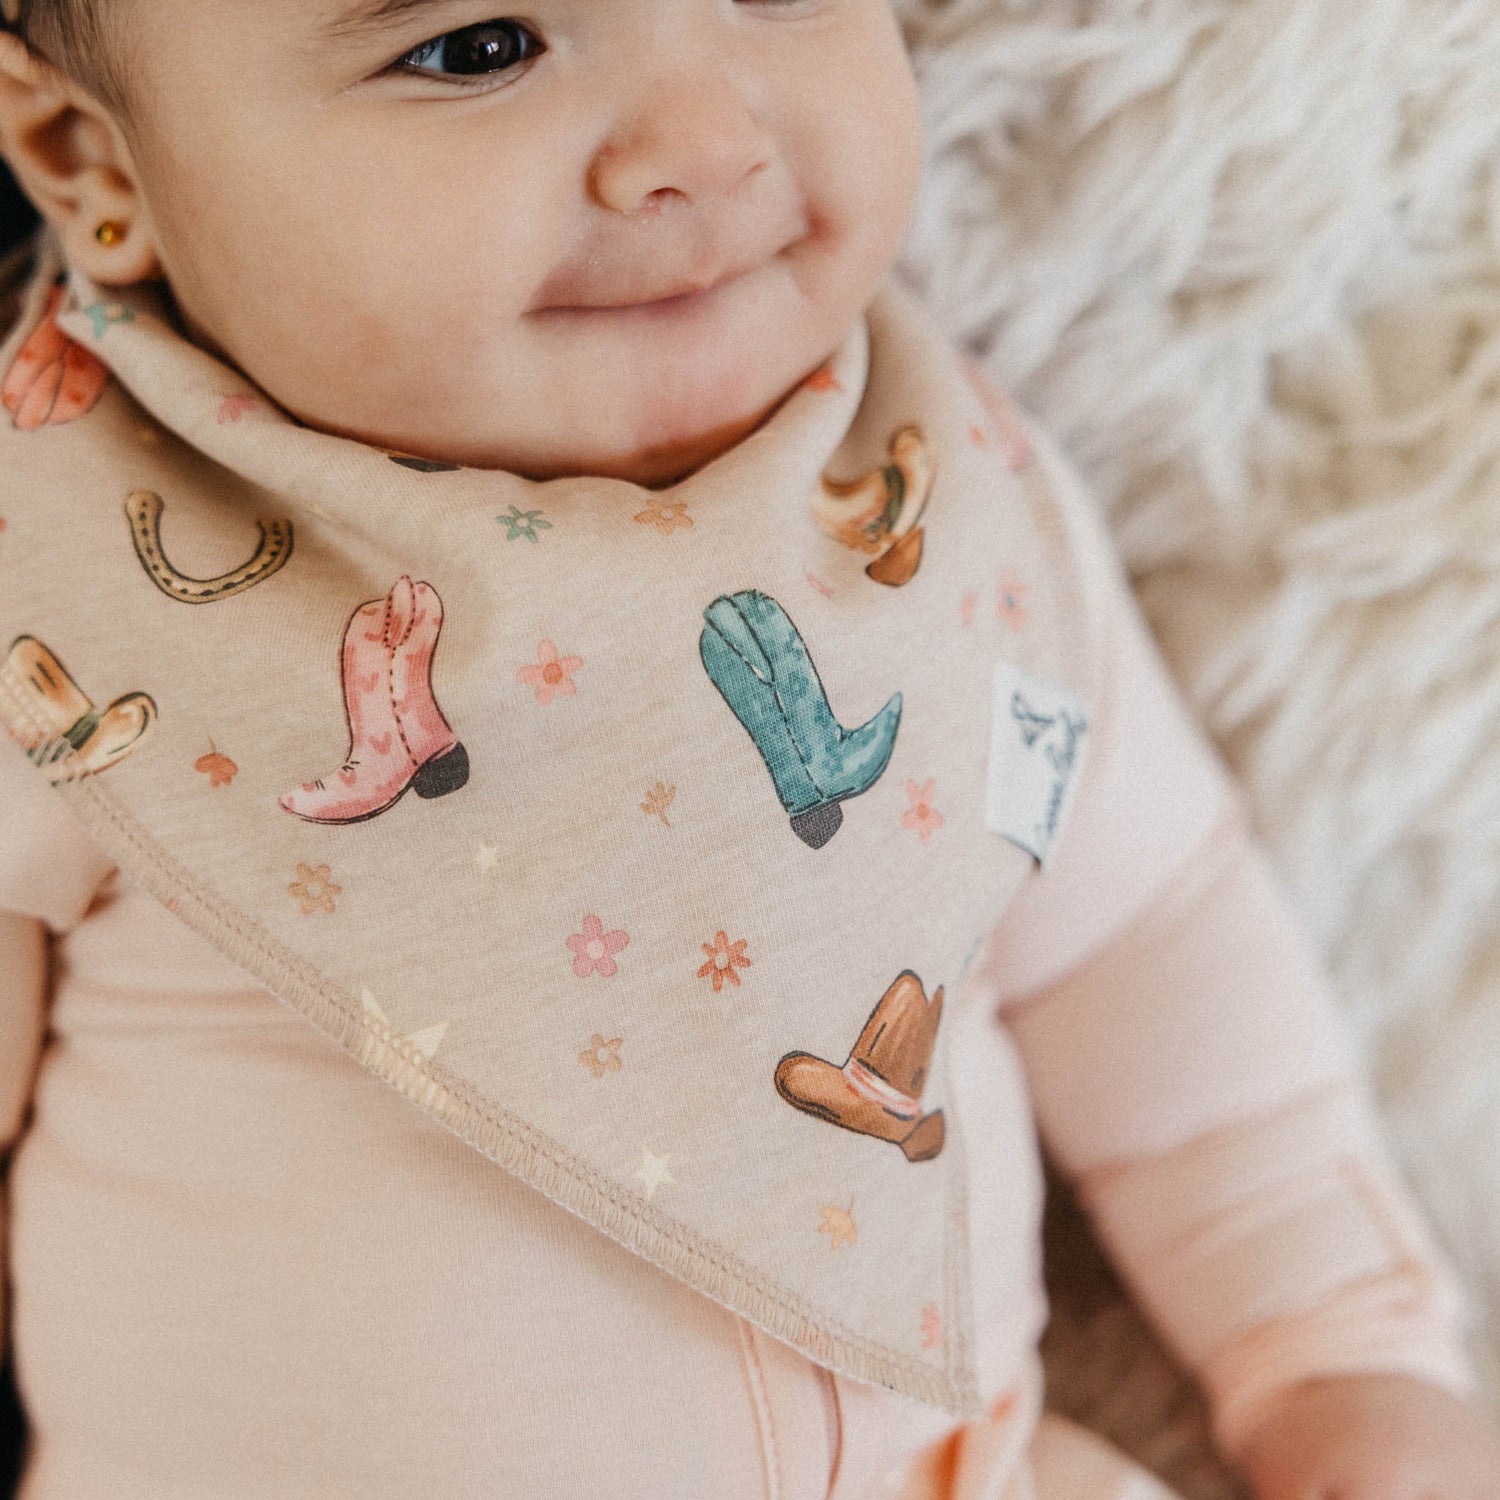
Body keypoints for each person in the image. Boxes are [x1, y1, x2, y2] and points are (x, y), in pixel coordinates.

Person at [0, 1, 1497, 1496]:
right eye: (479, 49)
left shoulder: (941, 503)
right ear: (91, 160)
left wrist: (1338, 1352)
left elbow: (1152, 946)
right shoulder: (53, 585)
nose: (707, 144)